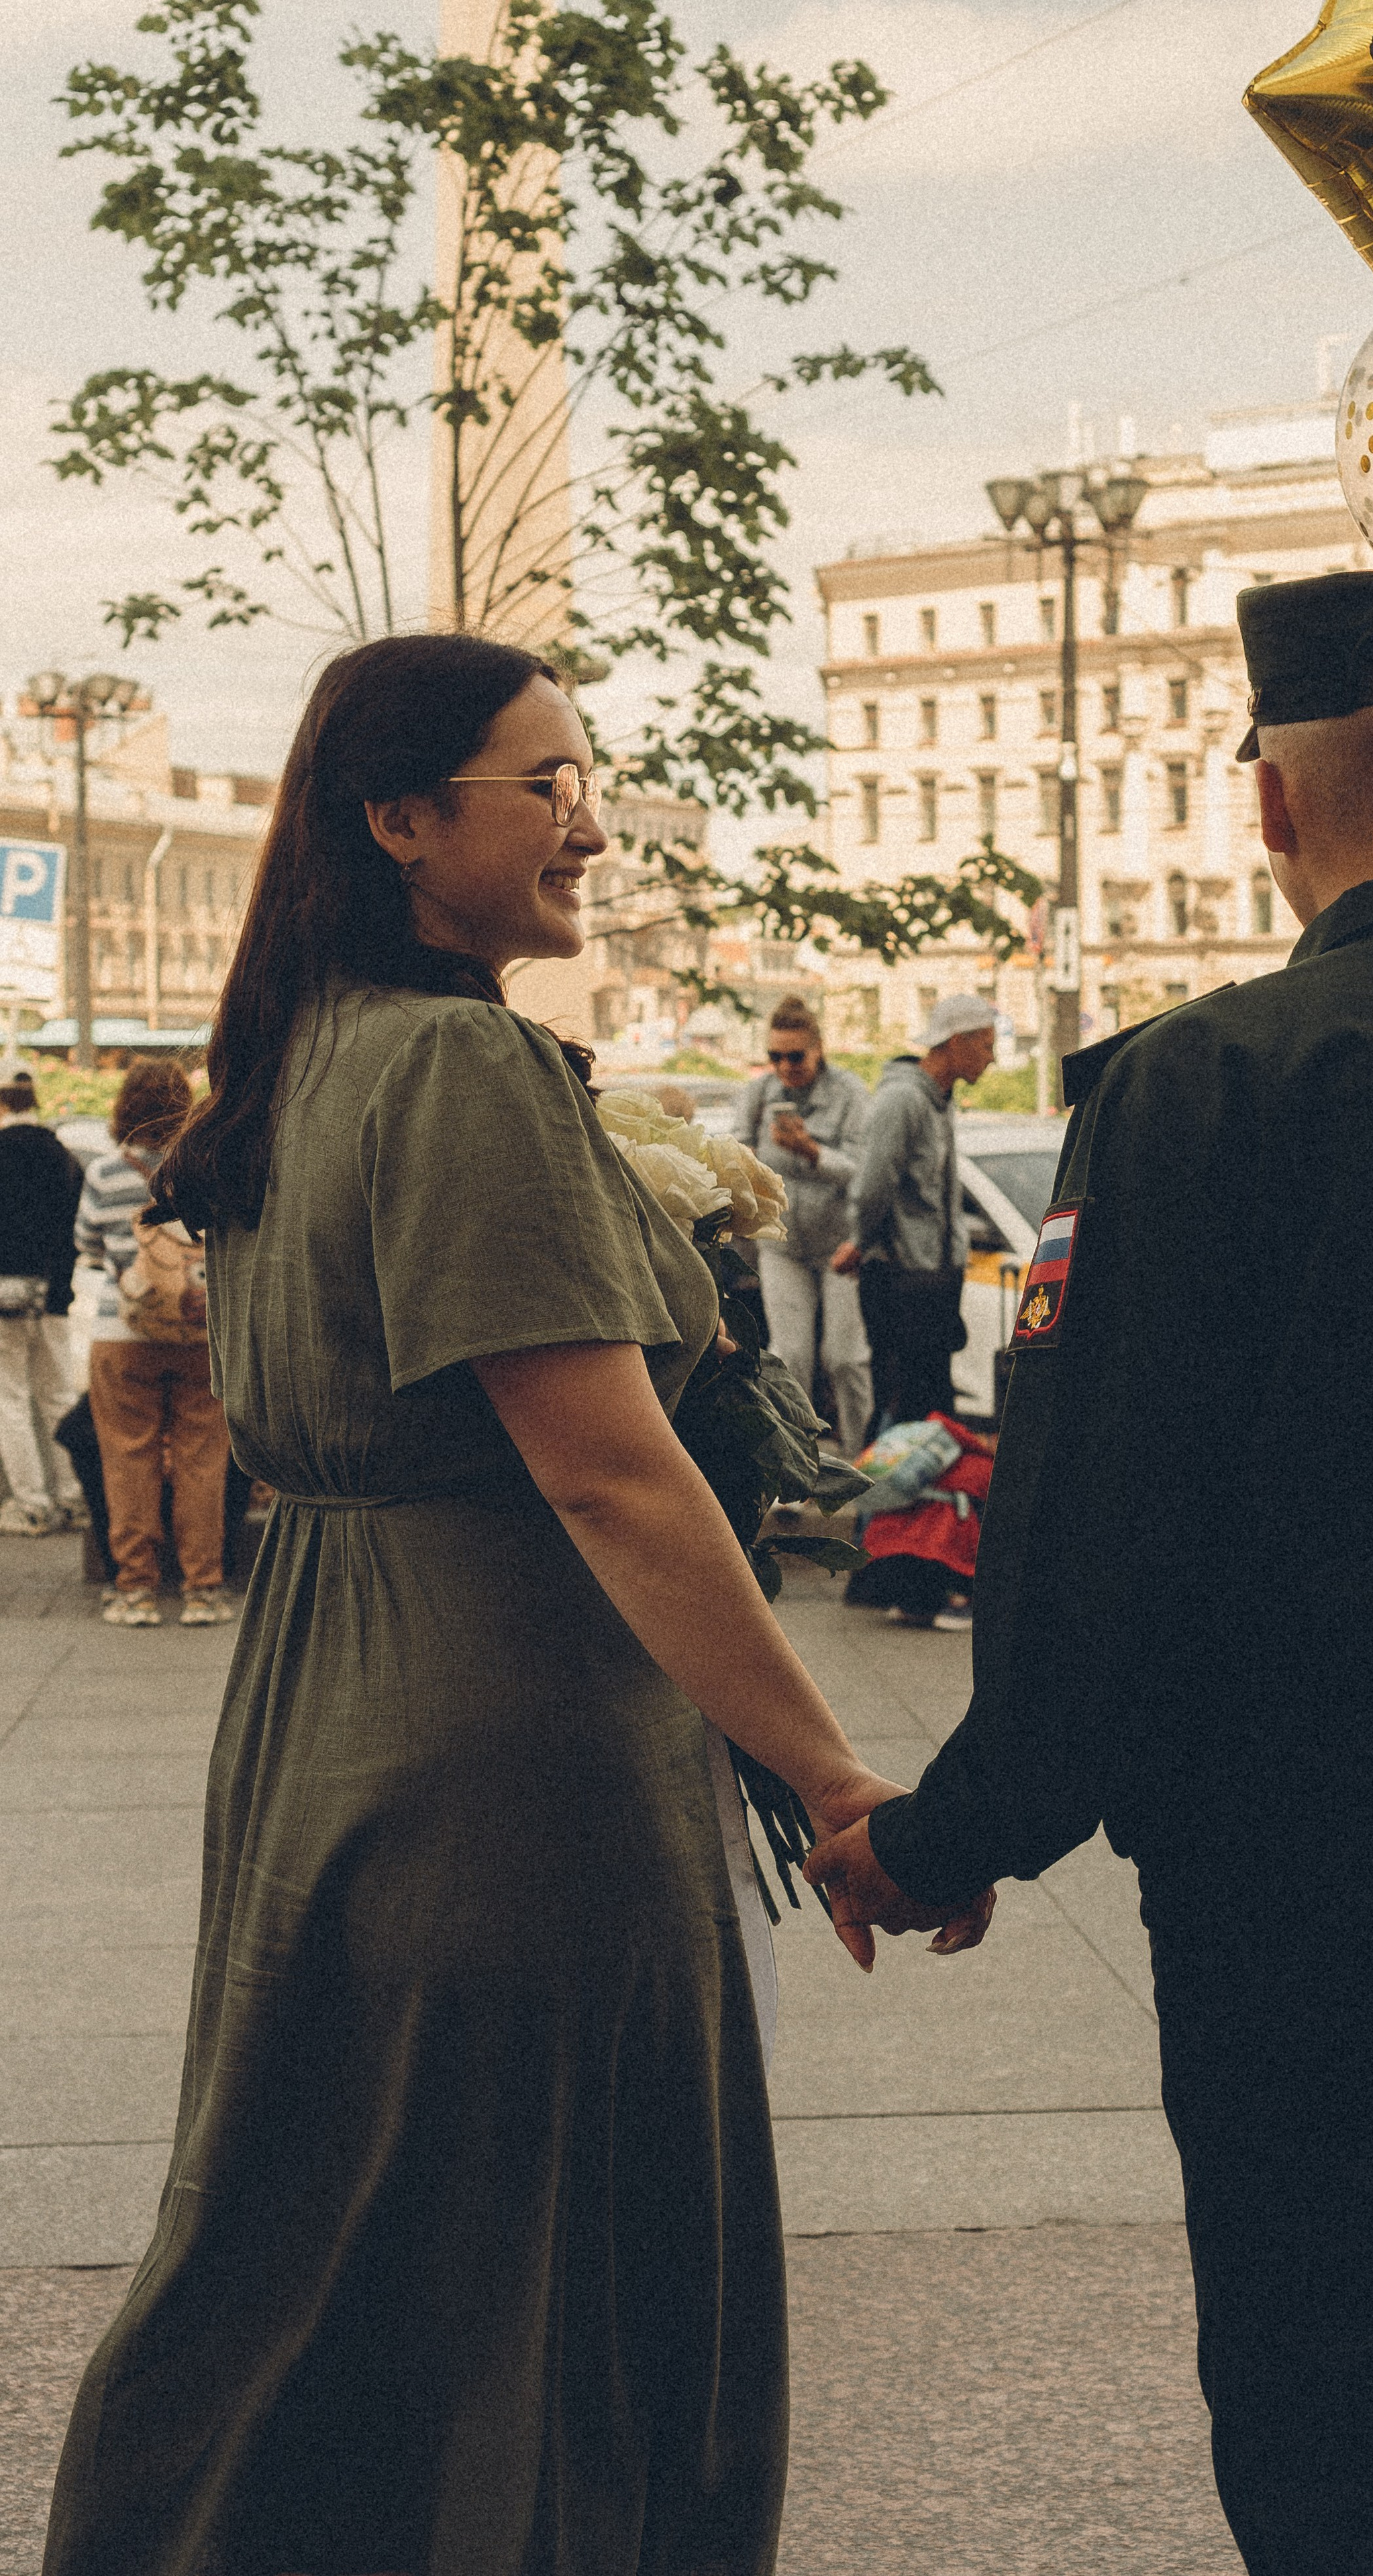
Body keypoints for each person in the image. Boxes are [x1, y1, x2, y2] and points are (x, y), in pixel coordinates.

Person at [44, 631, 991, 2576]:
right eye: (544, 784)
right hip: (513, 1745)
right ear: (398, 819)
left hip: (333, 1718)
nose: (589, 824)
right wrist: (833, 1780)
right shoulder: (462, 1064)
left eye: (589, 779)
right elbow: (606, 1470)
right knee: (538, 2277)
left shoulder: (303, 1053)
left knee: (337, 2244)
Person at [807, 564, 1373, 2576]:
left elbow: (1090, 1526)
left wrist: (957, 1830)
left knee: (1334, 2423)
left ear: (1269, 804)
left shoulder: (1191, 1089)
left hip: (1289, 1890)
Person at [75, 1058, 232, 1628]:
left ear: (124, 1109)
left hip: (123, 1333)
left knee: (127, 1459)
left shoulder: (105, 1174)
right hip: (199, 1332)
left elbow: (88, 1247)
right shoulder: (207, 1168)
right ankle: (202, 1590)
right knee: (202, 1461)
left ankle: (136, 1590)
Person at [831, 994, 996, 1434]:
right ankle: (875, 1481)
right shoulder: (901, 1099)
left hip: (934, 1276)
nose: (992, 1057)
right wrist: (859, 1241)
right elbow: (873, 1185)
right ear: (957, 1042)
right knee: (901, 1404)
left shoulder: (939, 1099)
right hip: (900, 1276)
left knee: (931, 1406)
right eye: (986, 1045)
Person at [736, 996, 873, 1454]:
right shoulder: (758, 1094)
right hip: (782, 1244)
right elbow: (735, 1153)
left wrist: (812, 1152)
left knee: (845, 1357)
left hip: (838, 1244)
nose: (784, 1067)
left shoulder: (849, 1093)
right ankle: (795, 1460)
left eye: (795, 1056)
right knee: (790, 1356)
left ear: (818, 1050)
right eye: (774, 1056)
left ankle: (860, 1456)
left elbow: (864, 1170)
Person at [0, 1071, 85, 1534]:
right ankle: (74, 1498)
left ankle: (32, 1506)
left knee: (10, 1399)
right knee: (58, 1396)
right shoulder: (63, 1156)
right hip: (54, 1295)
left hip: (5, 1296)